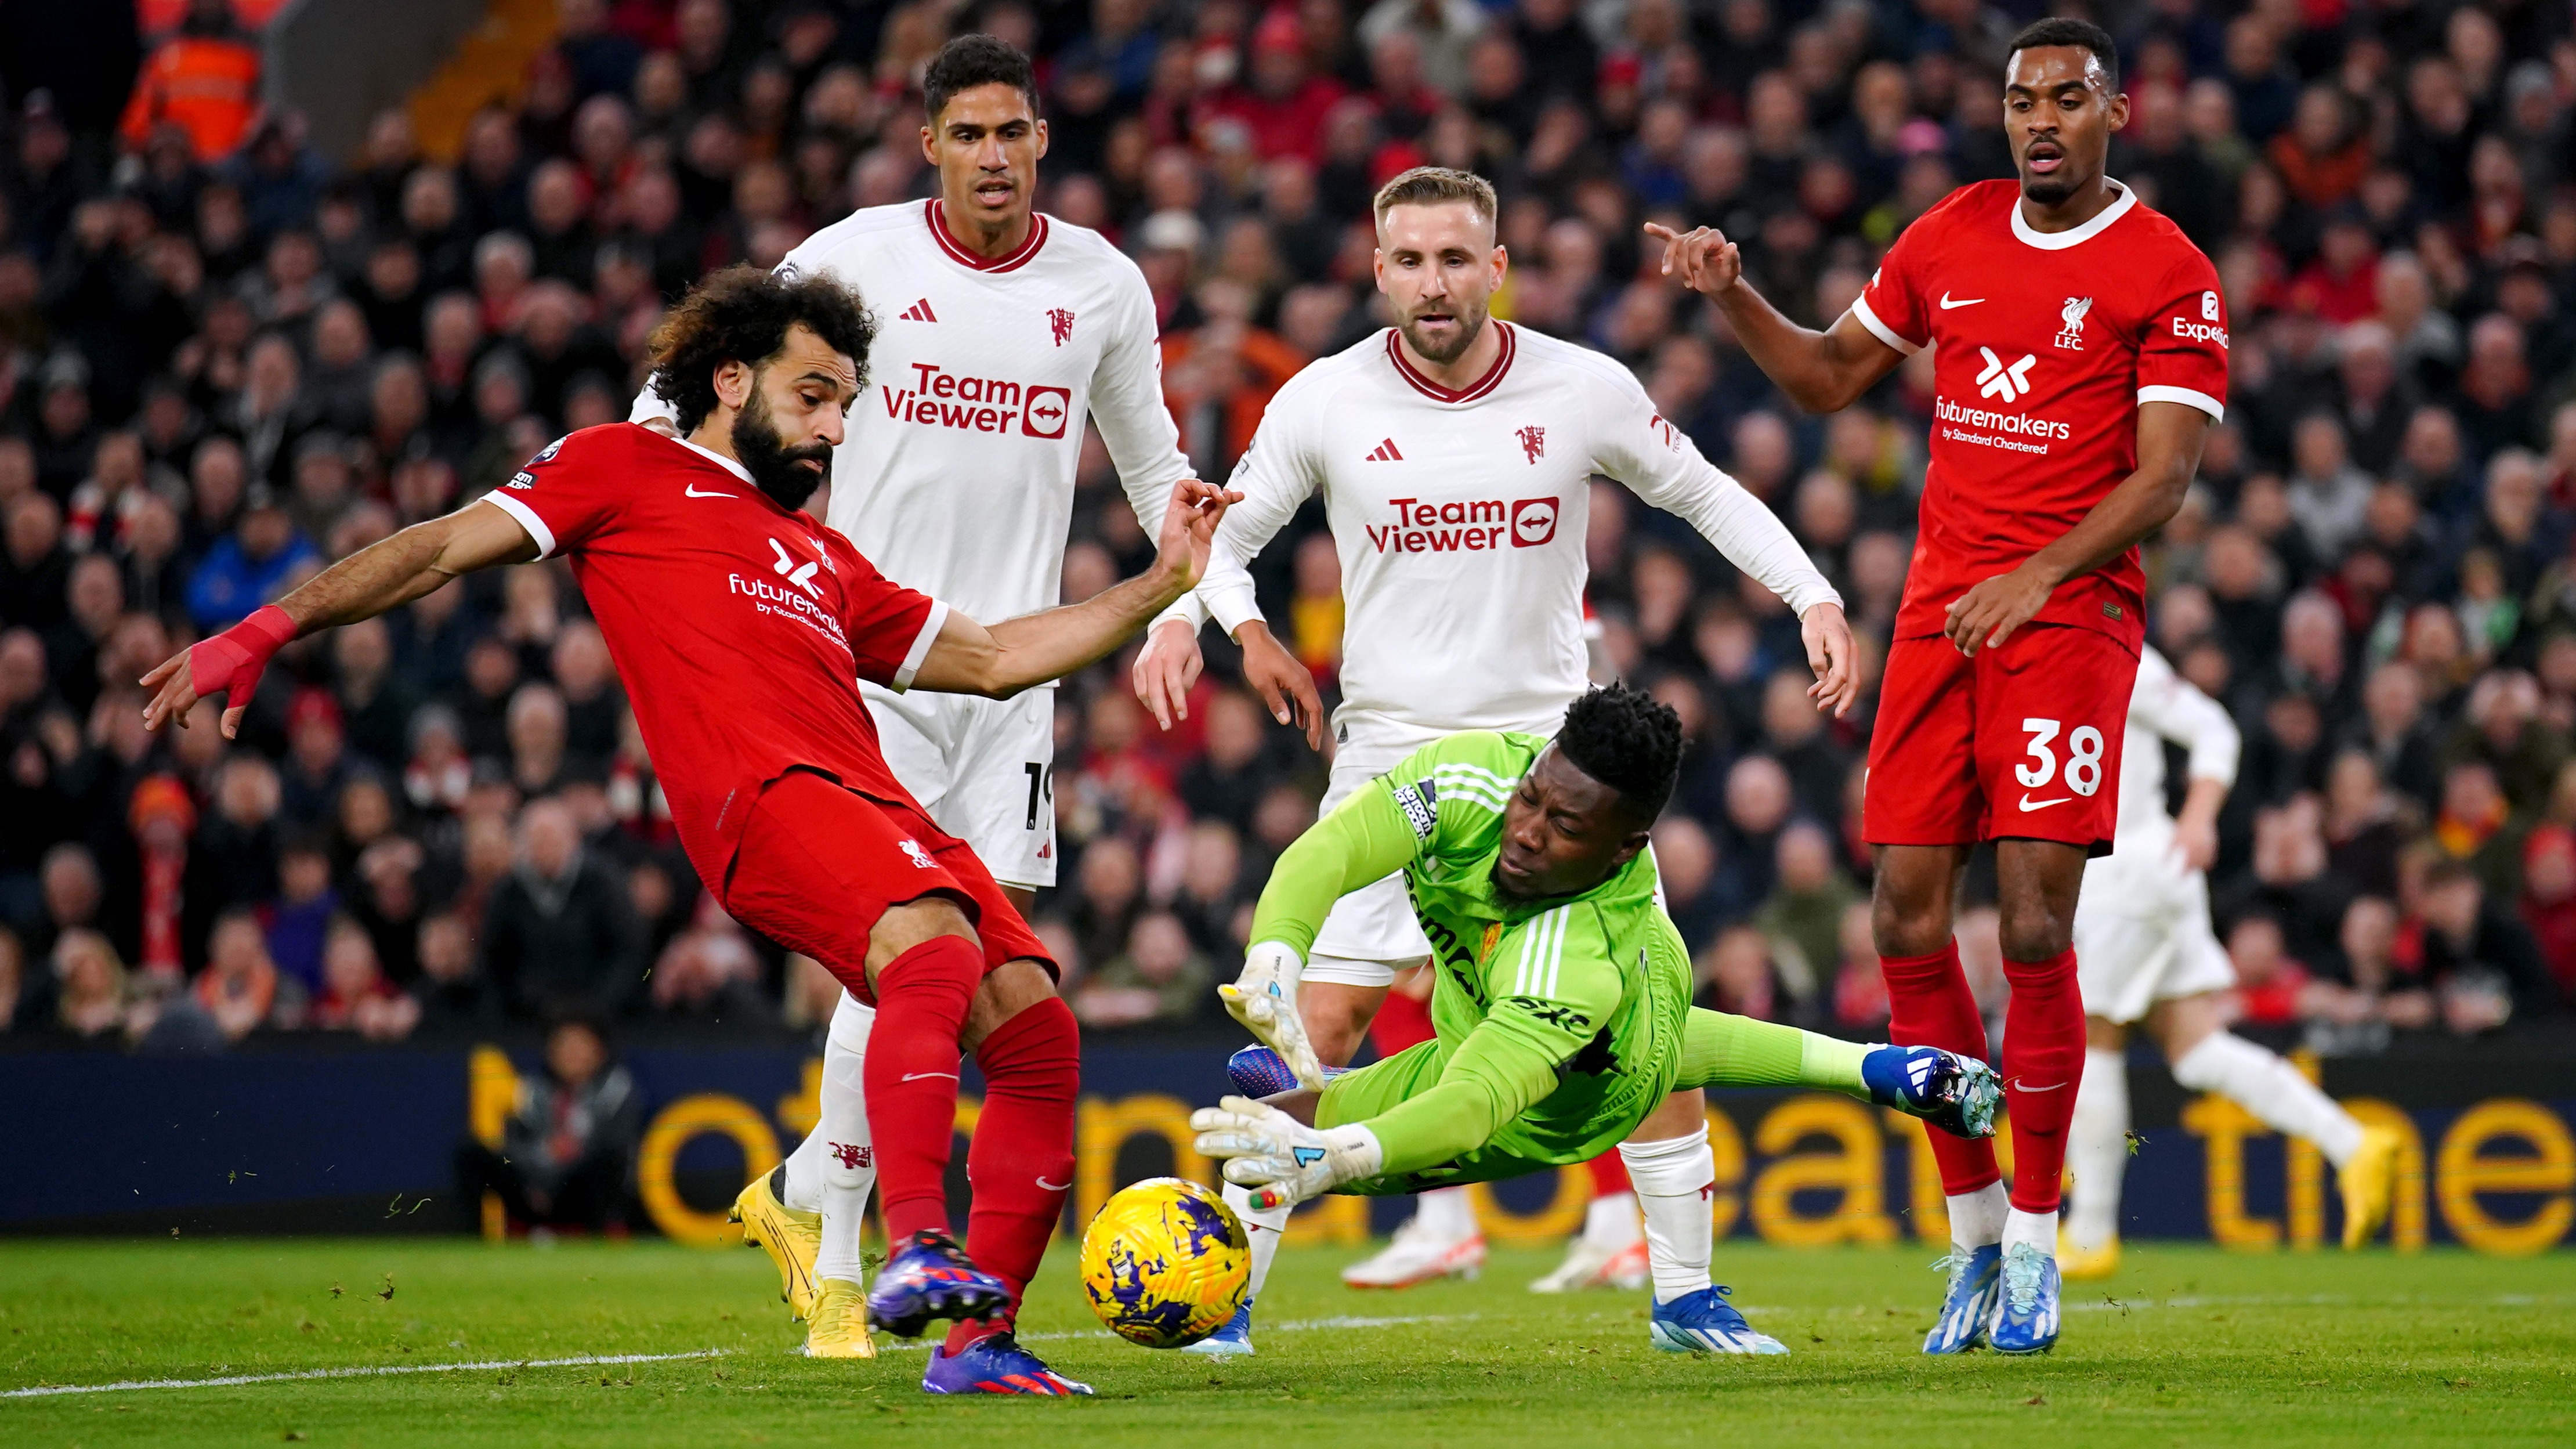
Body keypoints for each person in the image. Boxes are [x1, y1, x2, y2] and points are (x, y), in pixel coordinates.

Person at [141, 264, 1236, 1397]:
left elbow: (1002, 657)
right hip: (760, 801)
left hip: (872, 803)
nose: (835, 426)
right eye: (814, 395)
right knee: (936, 945)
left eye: (847, 405)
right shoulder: (618, 467)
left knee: (1038, 1032)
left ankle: (979, 1345)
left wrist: (1162, 583)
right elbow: (433, 548)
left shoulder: (823, 555)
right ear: (730, 378)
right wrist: (268, 628)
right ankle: (915, 1247)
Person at [1132, 164, 1855, 1346]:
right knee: (1309, 1035)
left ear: (1497, 268)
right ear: (1377, 271)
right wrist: (1220, 626)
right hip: (1393, 761)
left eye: (1457, 259)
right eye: (1410, 260)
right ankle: (1229, 1302)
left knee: (1653, 1028)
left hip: (1553, 778)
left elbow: (1707, 492)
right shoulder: (1326, 399)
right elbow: (1222, 533)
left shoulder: (1581, 389)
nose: (1434, 282)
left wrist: (1812, 594)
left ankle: (1687, 1297)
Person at [1649, 18, 2229, 1353]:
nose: (2039, 121)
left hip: (2068, 621)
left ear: (2115, 114)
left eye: (2066, 100)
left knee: (2031, 925)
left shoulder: (2167, 270)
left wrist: (2037, 574)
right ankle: (1969, 1236)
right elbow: (1823, 375)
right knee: (1904, 917)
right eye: (2020, 100)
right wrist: (1727, 291)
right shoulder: (1949, 232)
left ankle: (2037, 1238)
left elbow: (2165, 476)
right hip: (1936, 616)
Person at [628, 34, 1200, 1363]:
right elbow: (693, 378)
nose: (994, 155)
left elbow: (1156, 459)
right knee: (903, 955)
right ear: (927, 140)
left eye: (1015, 132)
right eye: (969, 134)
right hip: (865, 662)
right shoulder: (853, 262)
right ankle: (842, 1265)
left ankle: (815, 1197)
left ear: (1042, 137)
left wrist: (1195, 610)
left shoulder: (1099, 284)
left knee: (978, 978)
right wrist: (643, 498)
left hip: (1012, 679)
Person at [1198, 686, 1999, 1359]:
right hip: (1578, 1015)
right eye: (1533, 798)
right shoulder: (1473, 776)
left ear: (1626, 851)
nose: (1527, 832)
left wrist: (1337, 1155)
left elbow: (1479, 1100)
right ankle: (1881, 1074)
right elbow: (1330, 850)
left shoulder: (1571, 957)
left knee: (1289, 1143)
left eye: (1566, 828)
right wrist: (1275, 954)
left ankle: (1225, 1296)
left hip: (1566, 1100)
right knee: (1664, 1040)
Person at [2063, 646, 2403, 1278]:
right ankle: (2353, 1143)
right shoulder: (2032, 644)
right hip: (2127, 877)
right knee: (2196, 1050)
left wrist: (2198, 818)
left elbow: (2212, 725)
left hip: (2131, 872)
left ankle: (2088, 1234)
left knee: (2093, 1039)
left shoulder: (2111, 648)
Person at [452, 1015, 643, 1235]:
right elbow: (513, 1145)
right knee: (470, 1151)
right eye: (564, 1044)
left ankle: (596, 1237)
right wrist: (539, 1174)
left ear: (600, 1051)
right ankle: (473, 1238)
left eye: (581, 1045)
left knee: (609, 1160)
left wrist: (568, 1161)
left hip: (580, 1190)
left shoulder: (617, 1091)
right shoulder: (533, 1091)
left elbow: (616, 1148)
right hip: (531, 1189)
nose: (572, 1053)